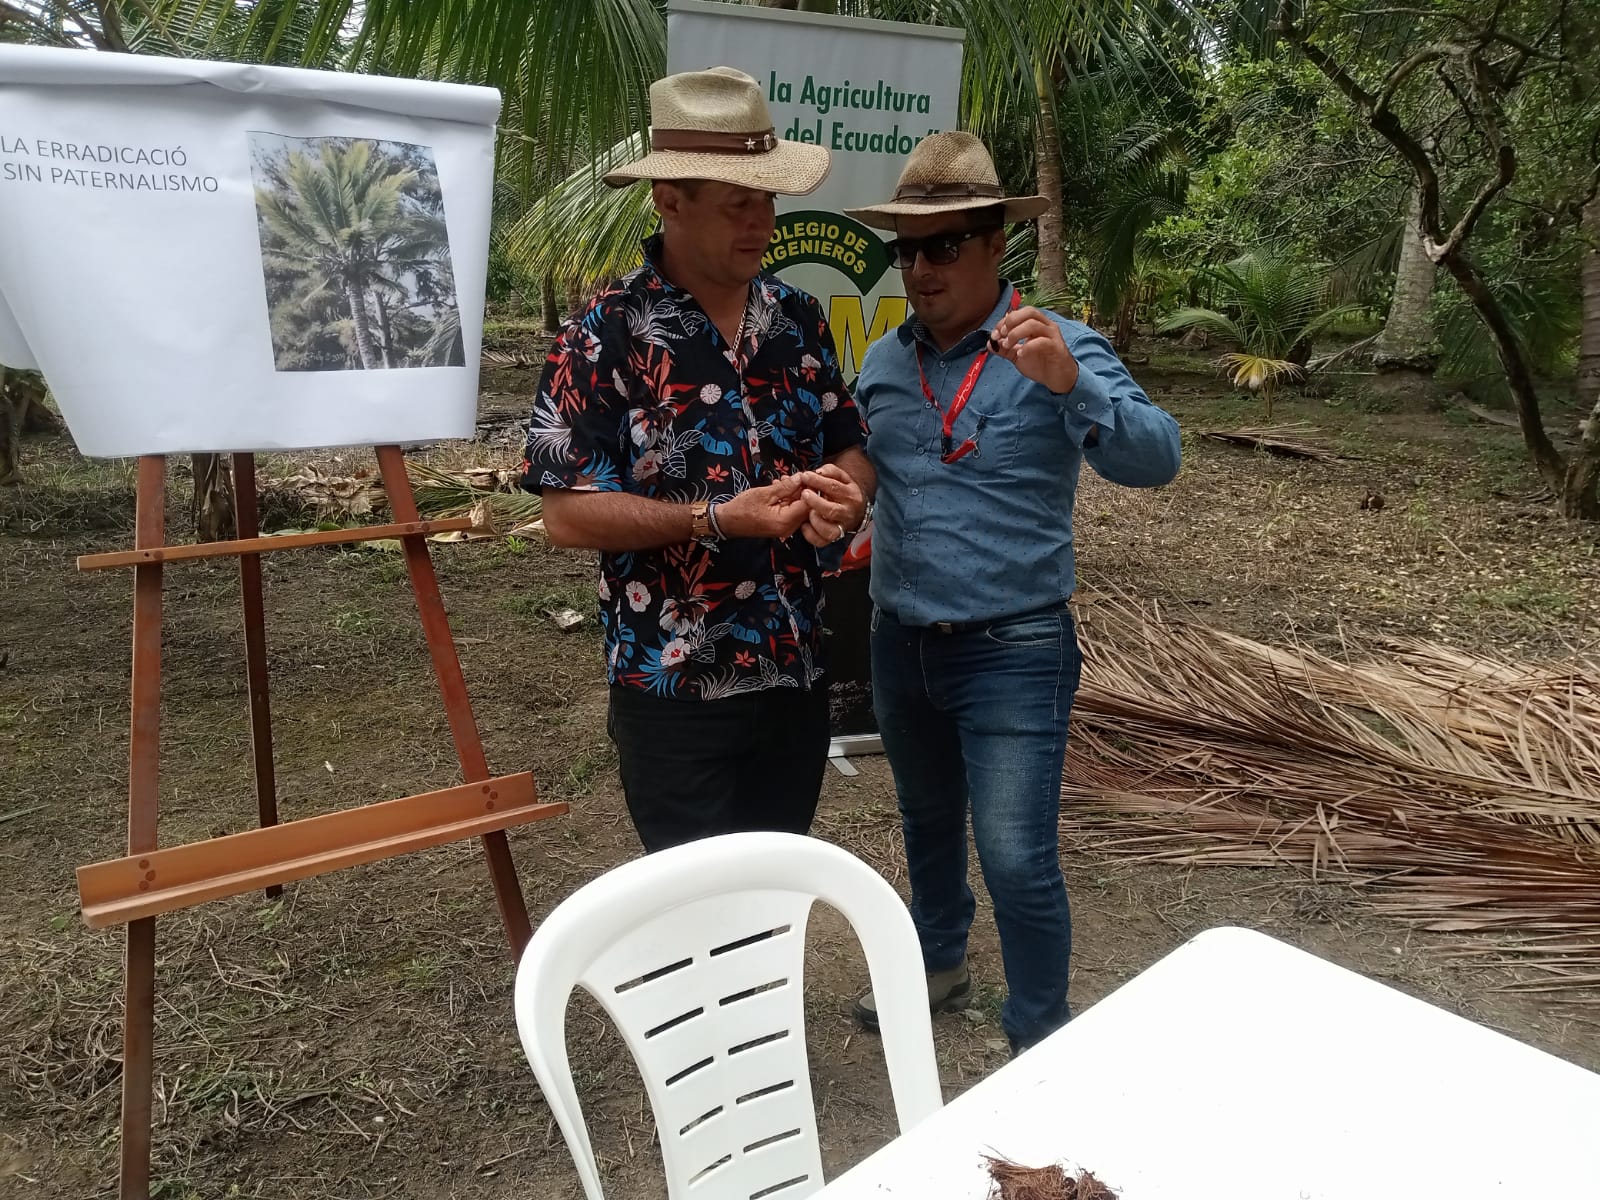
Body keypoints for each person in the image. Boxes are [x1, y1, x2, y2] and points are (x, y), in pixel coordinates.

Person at [844, 132, 1181, 1054]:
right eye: (907, 250)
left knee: (1016, 856)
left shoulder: (1056, 346)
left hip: (1013, 651)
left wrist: (1072, 387)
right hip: (899, 640)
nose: (921, 269)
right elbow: (871, 472)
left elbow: (1159, 457)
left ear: (997, 246)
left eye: (945, 246)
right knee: (925, 822)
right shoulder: (884, 363)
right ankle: (939, 962)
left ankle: (1039, 1031)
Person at [520, 67, 873, 853]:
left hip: (795, 668)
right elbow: (566, 513)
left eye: (768, 199)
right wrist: (713, 518)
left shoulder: (798, 319)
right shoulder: (603, 334)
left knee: (776, 889)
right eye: (737, 202)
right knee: (695, 903)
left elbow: (848, 443)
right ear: (669, 200)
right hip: (675, 682)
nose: (762, 222)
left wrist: (847, 495)